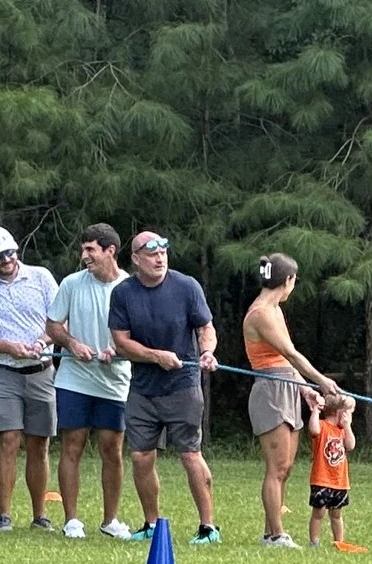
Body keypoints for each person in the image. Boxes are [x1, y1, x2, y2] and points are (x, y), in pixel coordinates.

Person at [107, 230, 220, 544]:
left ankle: (208, 528)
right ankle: (152, 524)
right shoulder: (124, 293)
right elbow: (121, 342)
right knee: (141, 456)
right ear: (136, 259)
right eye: (151, 253)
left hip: (182, 387)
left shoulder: (186, 287)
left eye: (163, 253)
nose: (159, 259)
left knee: (189, 454)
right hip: (143, 389)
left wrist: (207, 352)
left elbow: (205, 327)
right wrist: (156, 356)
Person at [0, 225, 59, 532]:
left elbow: (59, 321)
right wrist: (9, 347)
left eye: (10, 252)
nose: (7, 259)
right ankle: (4, 515)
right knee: (8, 440)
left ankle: (39, 515)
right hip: (3, 371)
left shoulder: (41, 277)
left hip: (41, 372)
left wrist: (42, 342)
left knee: (39, 444)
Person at [243, 252, 341, 548]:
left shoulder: (275, 310)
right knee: (277, 467)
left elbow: (286, 357)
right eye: (294, 281)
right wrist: (321, 381)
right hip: (271, 390)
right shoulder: (260, 313)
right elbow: (290, 355)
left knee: (286, 467)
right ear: (287, 280)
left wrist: (304, 389)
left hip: (286, 386)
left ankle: (271, 532)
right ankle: (275, 535)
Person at [46, 224, 131, 540]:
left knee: (112, 449)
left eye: (91, 249)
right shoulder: (71, 284)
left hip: (115, 381)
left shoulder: (130, 287)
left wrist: (118, 349)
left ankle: (111, 521)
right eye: (83, 250)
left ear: (110, 251)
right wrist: (71, 344)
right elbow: (53, 324)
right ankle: (71, 521)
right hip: (74, 380)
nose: (84, 256)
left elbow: (138, 334)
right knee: (73, 445)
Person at [306, 391, 357, 548]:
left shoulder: (343, 430)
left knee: (336, 515)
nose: (351, 417)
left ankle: (339, 542)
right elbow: (313, 430)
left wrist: (347, 426)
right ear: (340, 412)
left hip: (340, 482)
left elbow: (350, 445)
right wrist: (315, 410)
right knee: (318, 513)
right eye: (350, 413)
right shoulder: (322, 426)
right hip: (322, 480)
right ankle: (314, 542)